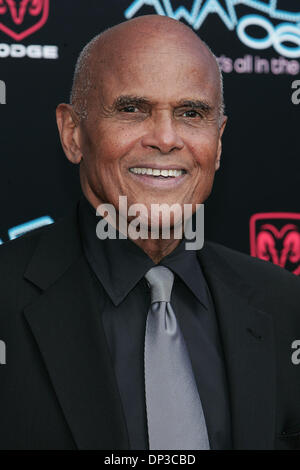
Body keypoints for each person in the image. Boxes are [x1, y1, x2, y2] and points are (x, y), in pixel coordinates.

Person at [0, 15, 300, 451]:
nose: (165, 138)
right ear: (73, 134)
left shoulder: (287, 307)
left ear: (218, 143)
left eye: (191, 113)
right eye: (132, 109)